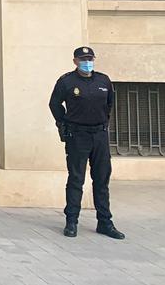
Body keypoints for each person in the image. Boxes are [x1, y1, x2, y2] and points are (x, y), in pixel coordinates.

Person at [49, 46, 124, 240]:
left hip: (99, 135)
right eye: (83, 59)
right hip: (77, 135)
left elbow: (109, 104)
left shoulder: (103, 80)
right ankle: (72, 221)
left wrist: (102, 123)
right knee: (76, 179)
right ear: (75, 61)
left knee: (101, 179)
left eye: (90, 58)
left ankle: (105, 222)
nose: (87, 62)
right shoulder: (66, 81)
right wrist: (63, 122)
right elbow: (54, 104)